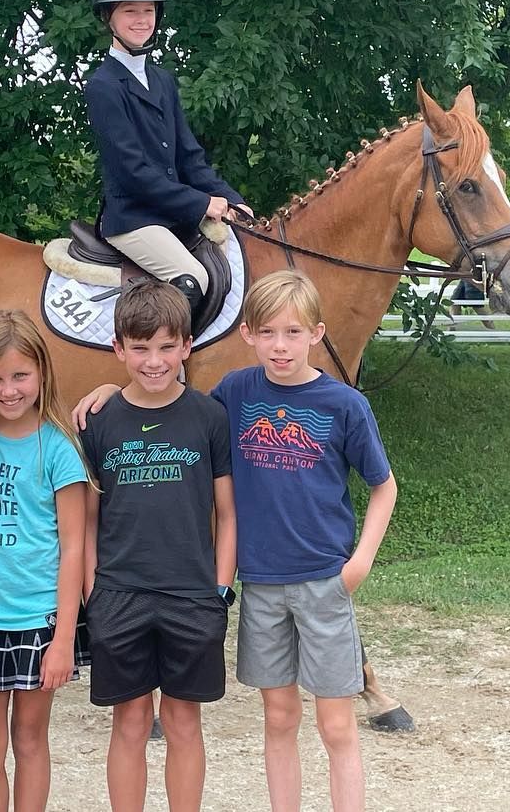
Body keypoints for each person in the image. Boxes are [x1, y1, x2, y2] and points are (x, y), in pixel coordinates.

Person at [74, 270, 400, 812]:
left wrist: (360, 562)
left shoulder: (343, 404)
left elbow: (383, 485)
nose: (281, 345)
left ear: (317, 333)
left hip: (322, 578)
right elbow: (166, 404)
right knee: (277, 715)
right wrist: (114, 390)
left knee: (336, 723)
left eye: (294, 333)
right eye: (268, 333)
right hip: (261, 583)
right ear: (247, 334)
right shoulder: (234, 393)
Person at [78, 279, 237, 812]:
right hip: (119, 592)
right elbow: (87, 519)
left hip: (191, 593)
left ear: (187, 347)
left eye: (167, 347)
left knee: (183, 722)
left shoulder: (210, 417)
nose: (154, 360)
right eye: (140, 348)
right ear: (118, 349)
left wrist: (219, 589)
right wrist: (92, 592)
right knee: (129, 722)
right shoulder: (100, 421)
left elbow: (227, 511)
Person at [0, 310, 92, 812]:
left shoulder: (57, 449)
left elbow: (74, 547)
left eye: (20, 376)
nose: (9, 390)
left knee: (30, 741)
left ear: (41, 375)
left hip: (40, 621)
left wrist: (63, 640)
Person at [84, 0, 251, 329]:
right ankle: (156, 371)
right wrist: (203, 203)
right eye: (130, 11)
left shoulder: (163, 81)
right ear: (108, 17)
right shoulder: (104, 86)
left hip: (171, 215)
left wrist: (233, 199)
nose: (142, 19)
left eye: (148, 10)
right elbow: (132, 172)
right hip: (133, 219)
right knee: (193, 277)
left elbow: (190, 158)